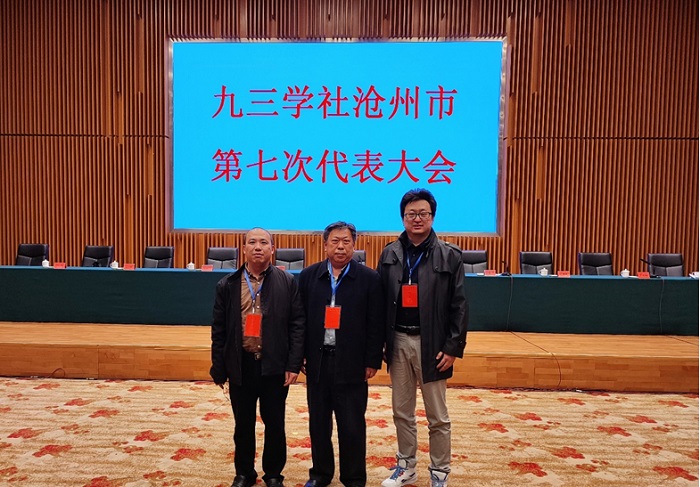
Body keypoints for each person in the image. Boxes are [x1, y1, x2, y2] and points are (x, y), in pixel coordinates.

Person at [377, 189, 468, 487]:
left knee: (437, 416)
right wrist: (380, 341)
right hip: (398, 341)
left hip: (433, 345)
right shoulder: (390, 253)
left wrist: (452, 347)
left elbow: (459, 305)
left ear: (432, 216)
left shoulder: (450, 255)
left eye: (423, 214)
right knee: (401, 412)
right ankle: (406, 467)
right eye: (411, 214)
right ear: (402, 217)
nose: (417, 219)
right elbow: (380, 301)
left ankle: (439, 472)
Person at [210, 228, 305, 487]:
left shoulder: (287, 282)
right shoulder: (228, 284)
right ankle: (244, 473)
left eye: (264, 242)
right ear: (244, 249)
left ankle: (273, 474)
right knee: (243, 425)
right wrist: (219, 366)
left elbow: (297, 324)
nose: (258, 247)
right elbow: (219, 329)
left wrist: (293, 364)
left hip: (274, 365)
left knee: (275, 423)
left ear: (272, 249)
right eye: (252, 242)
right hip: (241, 364)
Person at [298, 221, 385, 487]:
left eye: (346, 241)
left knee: (352, 425)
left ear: (354, 245)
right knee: (318, 424)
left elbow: (376, 323)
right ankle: (320, 474)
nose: (340, 247)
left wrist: (372, 360)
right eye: (335, 241)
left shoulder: (369, 278)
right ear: (325, 245)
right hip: (318, 361)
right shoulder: (308, 276)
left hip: (352, 362)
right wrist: (300, 355)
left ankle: (354, 477)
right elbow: (299, 320)